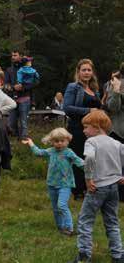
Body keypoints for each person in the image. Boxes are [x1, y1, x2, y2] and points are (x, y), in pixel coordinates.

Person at [70, 110, 124, 263]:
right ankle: (118, 255)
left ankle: (84, 255)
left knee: (85, 220)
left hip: (97, 187)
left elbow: (90, 158)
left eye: (86, 127)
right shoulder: (116, 142)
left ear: (97, 126)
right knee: (112, 220)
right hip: (114, 187)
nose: (84, 131)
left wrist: (88, 179)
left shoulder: (91, 142)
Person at [21, 128, 84, 236]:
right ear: (52, 142)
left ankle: (69, 228)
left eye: (62, 141)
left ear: (67, 140)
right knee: (55, 208)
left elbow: (79, 162)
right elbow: (38, 153)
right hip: (52, 184)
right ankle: (61, 227)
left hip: (65, 184)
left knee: (62, 205)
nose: (59, 143)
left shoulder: (68, 152)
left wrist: (91, 169)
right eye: (56, 141)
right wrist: (31, 143)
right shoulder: (51, 151)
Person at [63, 59, 102, 199]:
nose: (86, 73)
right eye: (83, 70)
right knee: (79, 158)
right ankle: (78, 191)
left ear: (92, 72)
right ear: (78, 72)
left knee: (92, 159)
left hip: (94, 131)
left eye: (89, 70)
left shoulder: (95, 90)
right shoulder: (73, 87)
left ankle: (90, 188)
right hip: (77, 129)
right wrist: (89, 110)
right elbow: (66, 108)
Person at [4, 50, 39, 139]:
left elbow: (36, 82)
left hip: (25, 98)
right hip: (12, 99)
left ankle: (24, 142)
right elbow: (6, 84)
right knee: (11, 123)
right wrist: (13, 87)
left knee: (23, 123)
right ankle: (15, 144)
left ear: (20, 56)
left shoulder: (28, 68)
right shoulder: (9, 70)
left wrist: (23, 87)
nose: (13, 57)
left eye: (15, 55)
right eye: (12, 55)